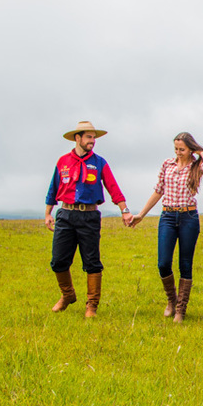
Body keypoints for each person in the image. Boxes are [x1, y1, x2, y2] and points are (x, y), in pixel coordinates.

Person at [45, 120, 134, 317]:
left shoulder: (100, 162)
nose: (92, 141)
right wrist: (48, 213)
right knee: (58, 260)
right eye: (89, 137)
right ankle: (67, 295)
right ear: (77, 138)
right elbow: (53, 188)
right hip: (65, 214)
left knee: (92, 261)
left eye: (94, 138)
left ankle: (91, 305)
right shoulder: (62, 162)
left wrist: (125, 210)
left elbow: (113, 187)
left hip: (89, 216)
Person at [130, 132, 203, 323]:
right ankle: (171, 300)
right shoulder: (167, 164)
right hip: (168, 216)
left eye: (182, 149)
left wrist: (200, 151)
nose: (178, 152)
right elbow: (158, 190)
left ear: (190, 149)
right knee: (163, 263)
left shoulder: (197, 166)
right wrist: (141, 215)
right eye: (176, 149)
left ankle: (181, 310)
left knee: (185, 264)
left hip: (188, 217)